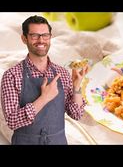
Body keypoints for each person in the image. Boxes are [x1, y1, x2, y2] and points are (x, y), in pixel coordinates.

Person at [0, 15, 88, 145]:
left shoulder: (62, 73)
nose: (41, 40)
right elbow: (12, 121)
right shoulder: (11, 76)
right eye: (34, 35)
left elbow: (76, 114)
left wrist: (76, 87)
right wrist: (44, 98)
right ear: (24, 39)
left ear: (50, 37)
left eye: (45, 35)